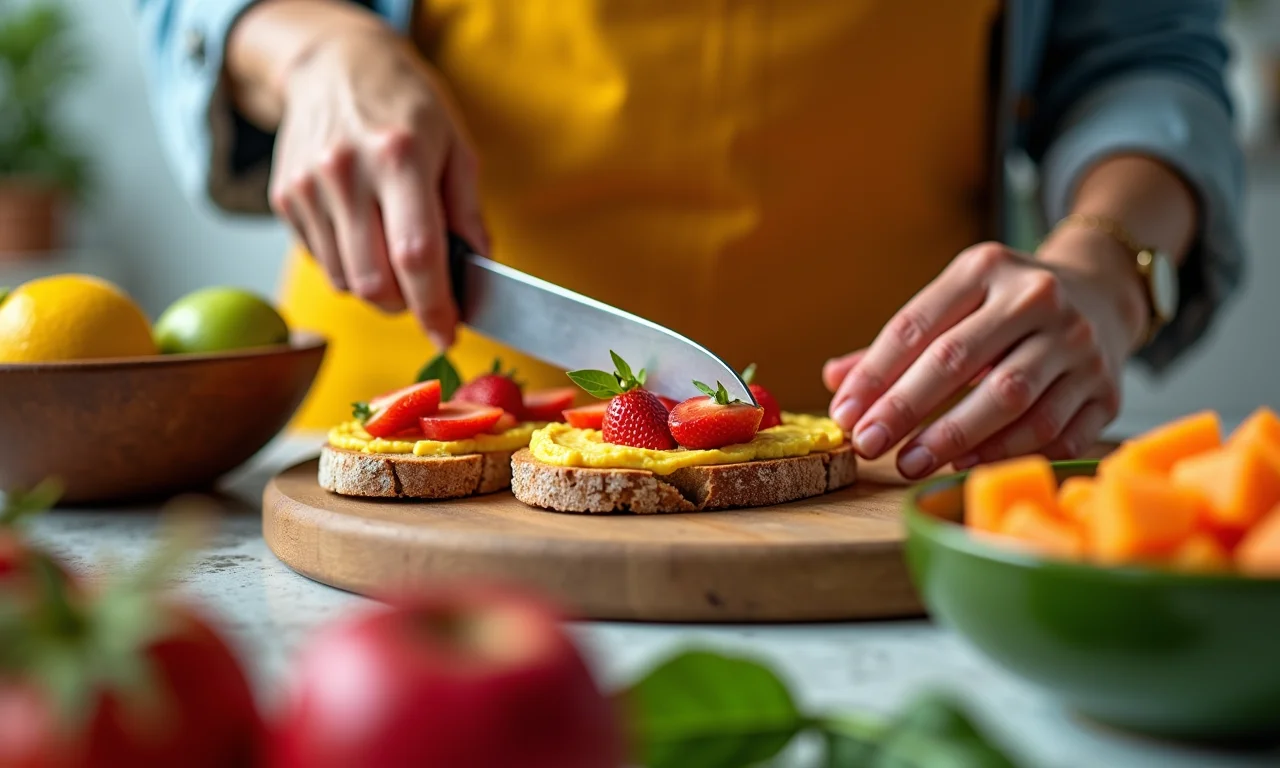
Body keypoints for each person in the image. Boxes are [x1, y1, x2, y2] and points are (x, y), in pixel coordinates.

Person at [132, 0, 1243, 479]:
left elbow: (1144, 53)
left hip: (904, 446)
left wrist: (1107, 255)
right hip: (416, 387)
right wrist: (310, 45)